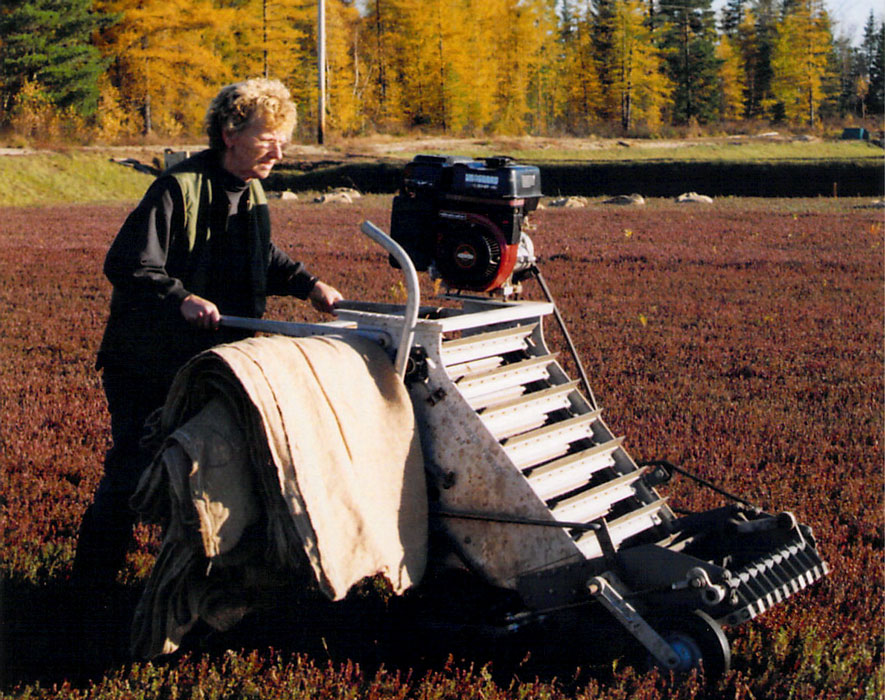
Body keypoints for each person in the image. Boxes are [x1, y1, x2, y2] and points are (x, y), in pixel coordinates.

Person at [73, 78, 343, 591]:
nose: (280, 151)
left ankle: (194, 592)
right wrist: (182, 299)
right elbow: (128, 263)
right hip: (147, 365)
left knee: (212, 478)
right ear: (230, 133)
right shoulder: (177, 188)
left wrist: (310, 285)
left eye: (283, 140)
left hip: (211, 367)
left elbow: (261, 255)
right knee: (131, 474)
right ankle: (87, 592)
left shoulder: (252, 190)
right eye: (269, 139)